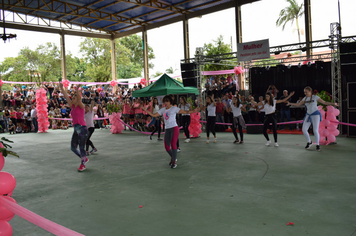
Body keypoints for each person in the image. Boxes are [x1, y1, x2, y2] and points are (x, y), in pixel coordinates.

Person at [143, 95, 199, 169]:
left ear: (170, 102)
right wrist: (146, 110)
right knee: (166, 147)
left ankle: (174, 161)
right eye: (165, 101)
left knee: (173, 144)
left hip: (174, 128)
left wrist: (194, 111)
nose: (166, 103)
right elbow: (154, 115)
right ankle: (173, 157)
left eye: (167, 101)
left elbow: (185, 111)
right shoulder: (163, 110)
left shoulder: (174, 108)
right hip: (167, 129)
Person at [287, 86, 338, 151]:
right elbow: (298, 104)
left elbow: (324, 102)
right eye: (304, 92)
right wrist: (290, 103)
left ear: (310, 91)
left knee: (315, 130)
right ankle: (309, 142)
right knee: (304, 130)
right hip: (308, 115)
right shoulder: (305, 98)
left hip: (315, 114)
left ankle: (317, 145)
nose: (305, 93)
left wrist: (333, 103)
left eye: (306, 92)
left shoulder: (315, 97)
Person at [59, 83, 89, 172]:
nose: (73, 98)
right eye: (73, 97)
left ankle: (83, 164)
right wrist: (61, 88)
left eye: (74, 97)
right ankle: (84, 158)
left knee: (81, 147)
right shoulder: (72, 106)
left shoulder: (81, 106)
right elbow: (66, 96)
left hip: (82, 129)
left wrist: (77, 89)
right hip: (76, 129)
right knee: (73, 148)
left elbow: (79, 98)